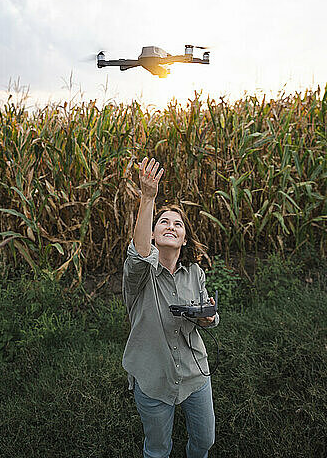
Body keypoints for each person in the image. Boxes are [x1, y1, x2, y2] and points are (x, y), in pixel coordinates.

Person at [122, 156, 219, 458]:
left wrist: (208, 317)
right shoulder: (141, 274)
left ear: (184, 238)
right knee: (158, 450)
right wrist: (147, 197)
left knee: (204, 443)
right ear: (152, 234)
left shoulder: (195, 273)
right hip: (153, 378)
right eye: (163, 222)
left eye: (178, 224)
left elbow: (207, 314)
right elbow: (139, 255)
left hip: (195, 374)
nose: (170, 226)